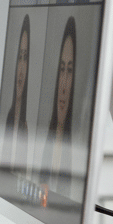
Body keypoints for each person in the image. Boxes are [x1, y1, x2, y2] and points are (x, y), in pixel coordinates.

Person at [39, 16, 77, 193]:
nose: (63, 85)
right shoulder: (45, 144)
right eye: (62, 70)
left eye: (69, 70)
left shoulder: (77, 152)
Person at [0, 14, 31, 172]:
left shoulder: (28, 125)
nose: (21, 68)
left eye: (25, 58)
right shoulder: (9, 118)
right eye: (19, 57)